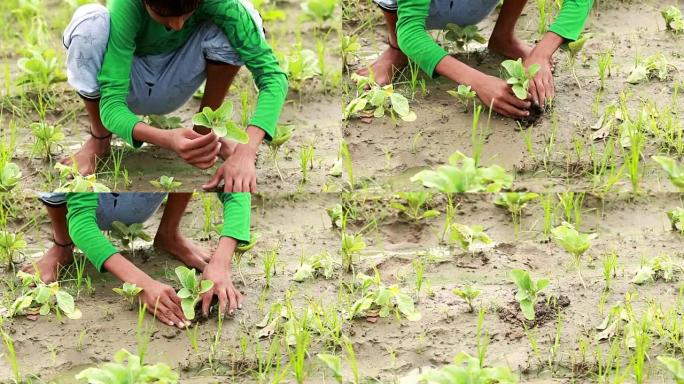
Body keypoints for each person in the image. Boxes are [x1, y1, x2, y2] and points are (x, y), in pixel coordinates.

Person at [61, 0, 288, 192]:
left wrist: (246, 152)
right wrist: (166, 138)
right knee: (89, 22)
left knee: (243, 12)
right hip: (130, 80)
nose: (177, 25)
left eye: (186, 14)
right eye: (163, 15)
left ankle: (203, 135)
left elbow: (273, 77)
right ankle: (99, 140)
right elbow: (111, 107)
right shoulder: (127, 5)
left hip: (178, 75)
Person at [22, 192, 250, 328]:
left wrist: (221, 262)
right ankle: (62, 246)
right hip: (86, 203)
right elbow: (82, 224)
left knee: (185, 156)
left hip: (143, 195)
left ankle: (170, 234)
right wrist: (142, 284)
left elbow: (237, 189)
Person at [357, 0, 592, 118]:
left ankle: (503, 37)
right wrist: (478, 82)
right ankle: (396, 49)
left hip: (476, 5)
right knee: (402, 36)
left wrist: (542, 53)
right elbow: (410, 31)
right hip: (420, 9)